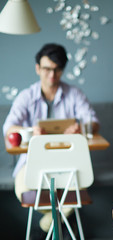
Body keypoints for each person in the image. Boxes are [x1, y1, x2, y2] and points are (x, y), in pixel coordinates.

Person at [2, 43, 100, 234]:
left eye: (57, 70)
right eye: (47, 69)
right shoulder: (26, 96)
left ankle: (49, 224)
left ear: (62, 70)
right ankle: (60, 221)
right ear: (38, 68)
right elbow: (8, 127)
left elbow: (94, 122)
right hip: (31, 162)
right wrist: (29, 131)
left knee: (79, 191)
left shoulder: (75, 94)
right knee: (24, 191)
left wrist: (80, 128)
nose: (52, 75)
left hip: (69, 163)